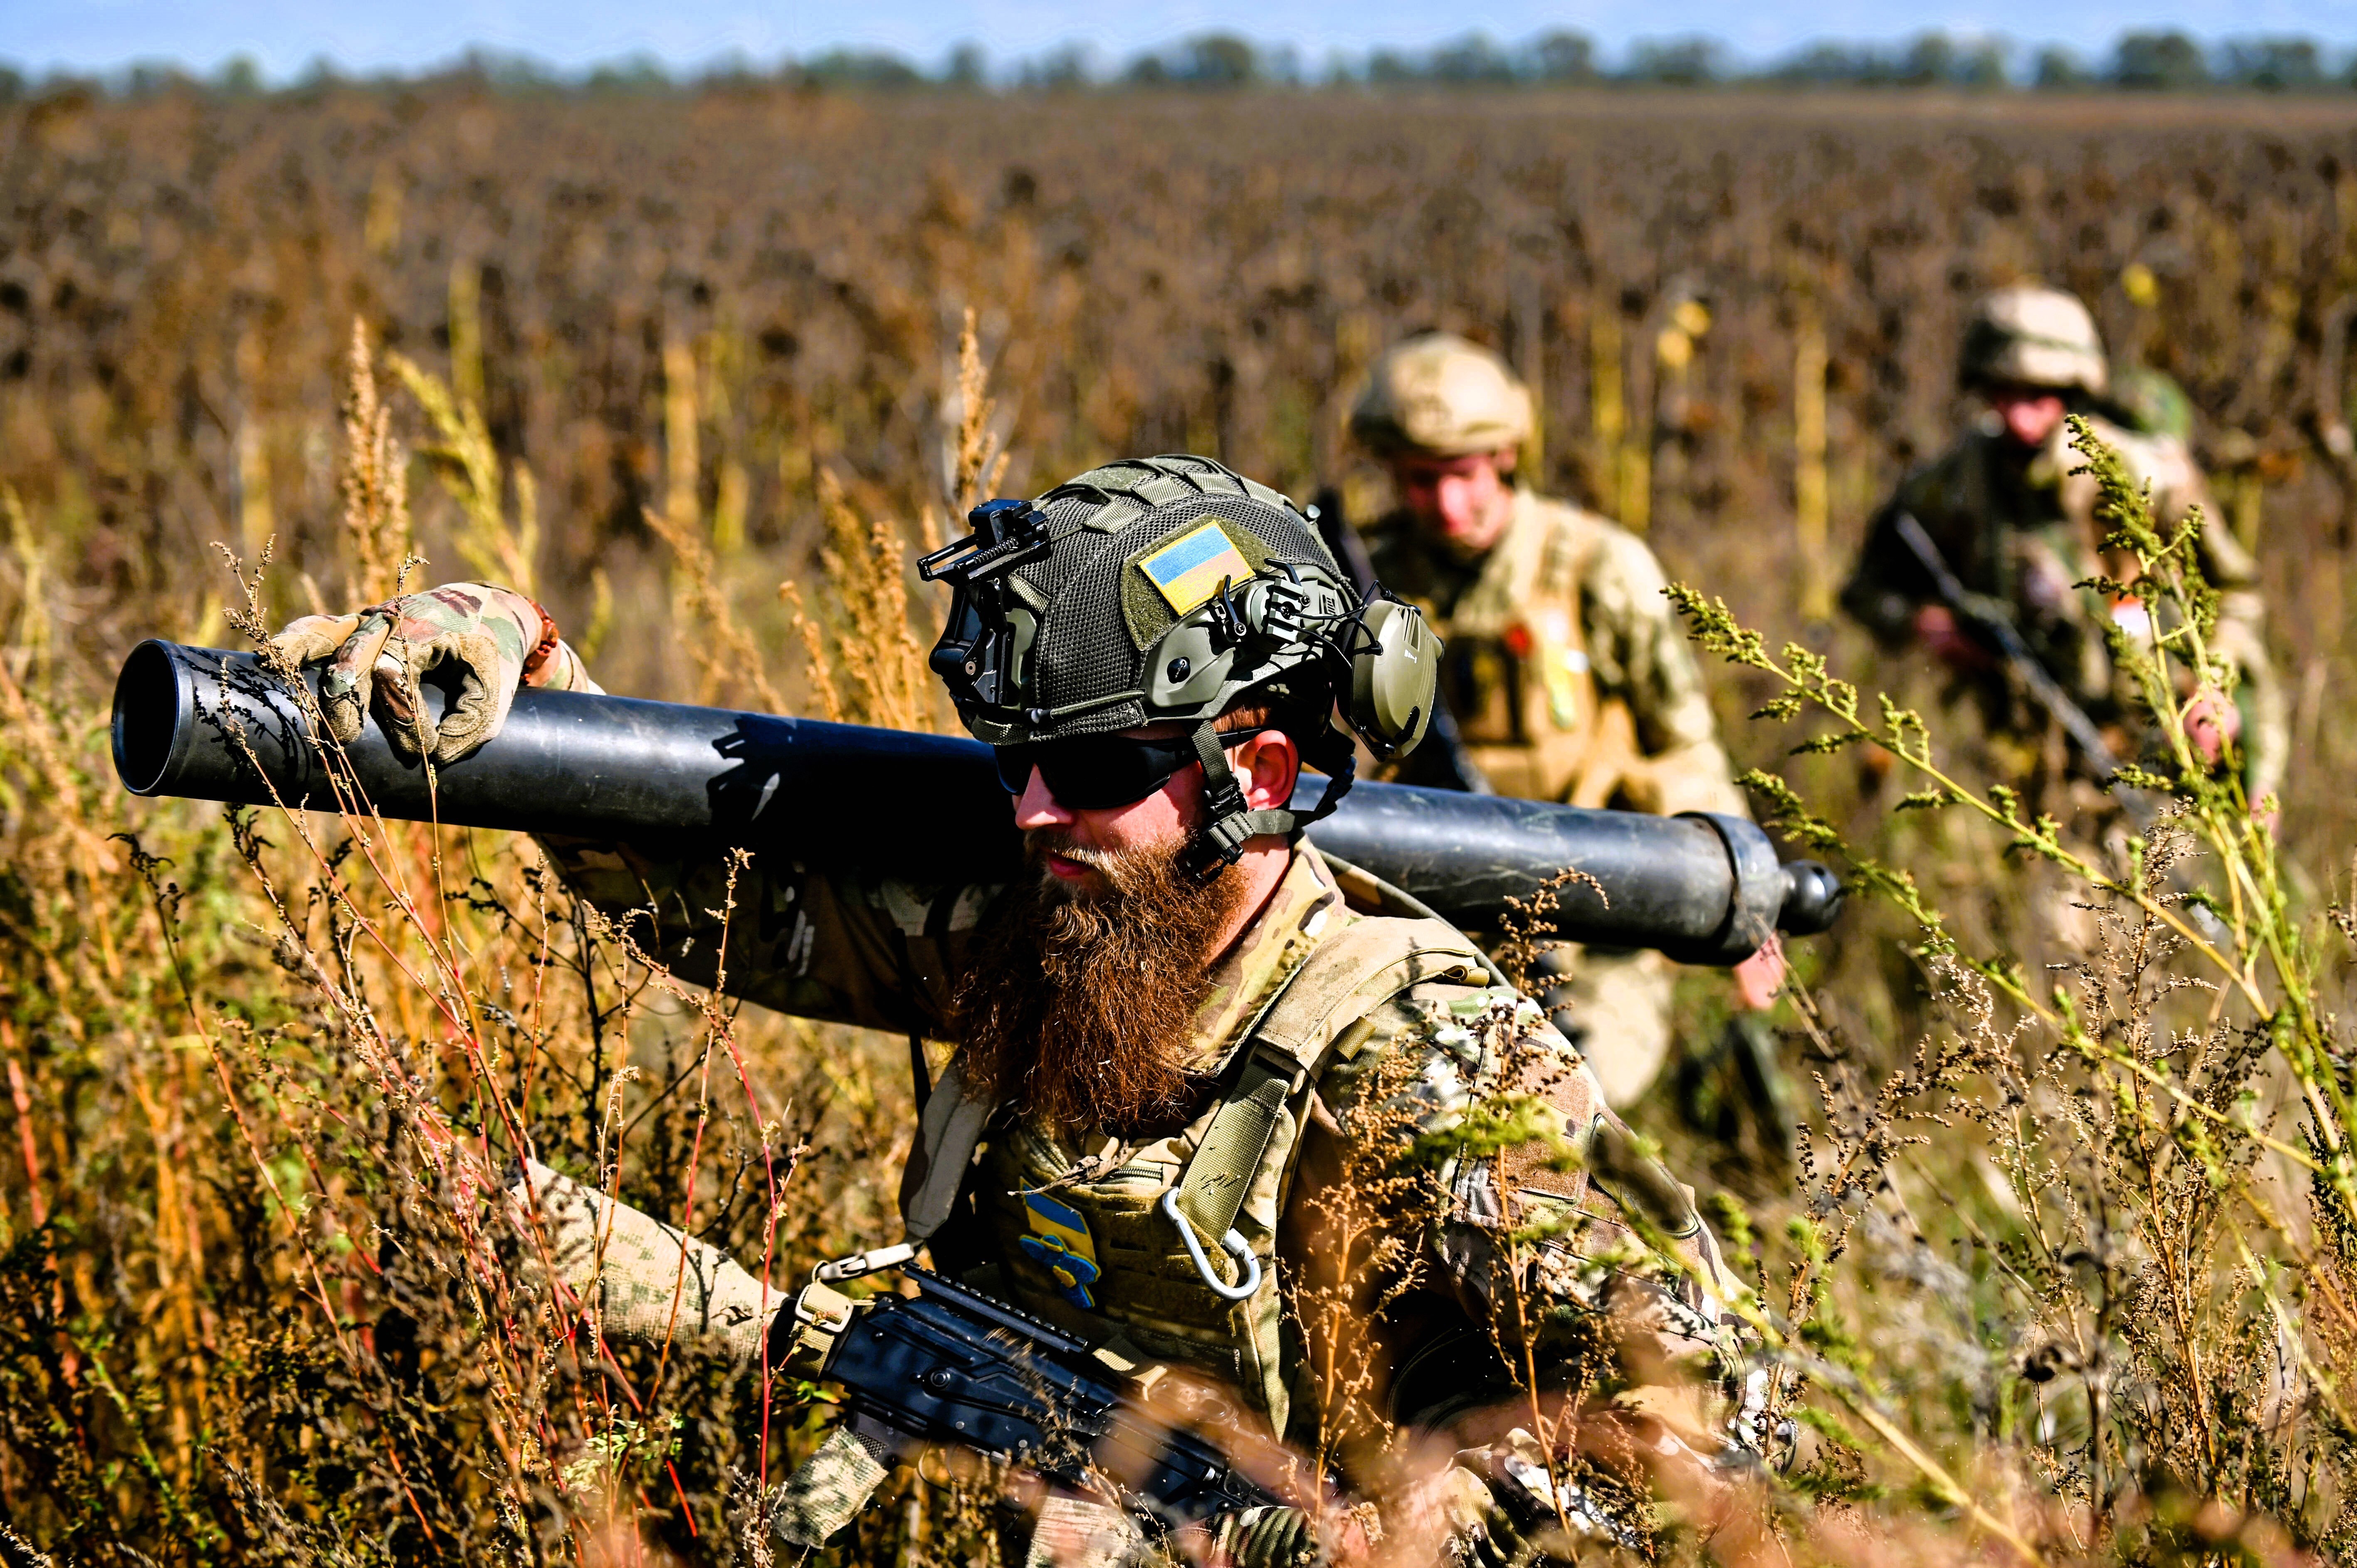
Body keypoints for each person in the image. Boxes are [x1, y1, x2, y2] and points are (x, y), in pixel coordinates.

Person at [274, 455, 1767, 1564]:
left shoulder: (1423, 1055)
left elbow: (1685, 1433)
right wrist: (522, 669)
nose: (1038, 807)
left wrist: (1306, 1537)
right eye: (1012, 759)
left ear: (1251, 772)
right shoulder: (1043, 929)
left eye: (1099, 767)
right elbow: (715, 911)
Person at [1346, 333, 1780, 1111]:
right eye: (1419, 481)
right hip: (1425, 924)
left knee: (1565, 1110)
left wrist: (1743, 907)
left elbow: (1681, 743)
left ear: (1506, 455)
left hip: (1596, 931)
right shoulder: (1368, 581)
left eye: (1463, 477)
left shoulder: (1597, 568)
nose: (1446, 506)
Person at [1841, 284, 2284, 815]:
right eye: (2002, 392)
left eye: (2038, 395)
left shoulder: (2148, 476)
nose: (2018, 416)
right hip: (2037, 759)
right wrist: (1921, 622)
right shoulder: (1953, 486)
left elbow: (2235, 592)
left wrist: (2214, 688)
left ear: (2074, 389)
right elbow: (1865, 591)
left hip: (2171, 741)